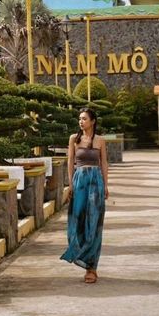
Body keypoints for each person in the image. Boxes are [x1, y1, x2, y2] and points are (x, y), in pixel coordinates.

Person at [61, 107, 108, 283]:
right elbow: (70, 162)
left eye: (84, 119)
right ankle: (79, 253)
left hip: (96, 182)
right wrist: (70, 183)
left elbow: (104, 162)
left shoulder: (100, 140)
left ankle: (91, 268)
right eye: (79, 119)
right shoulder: (74, 139)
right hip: (79, 181)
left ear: (93, 121)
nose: (81, 122)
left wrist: (106, 185)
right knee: (77, 221)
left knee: (94, 223)